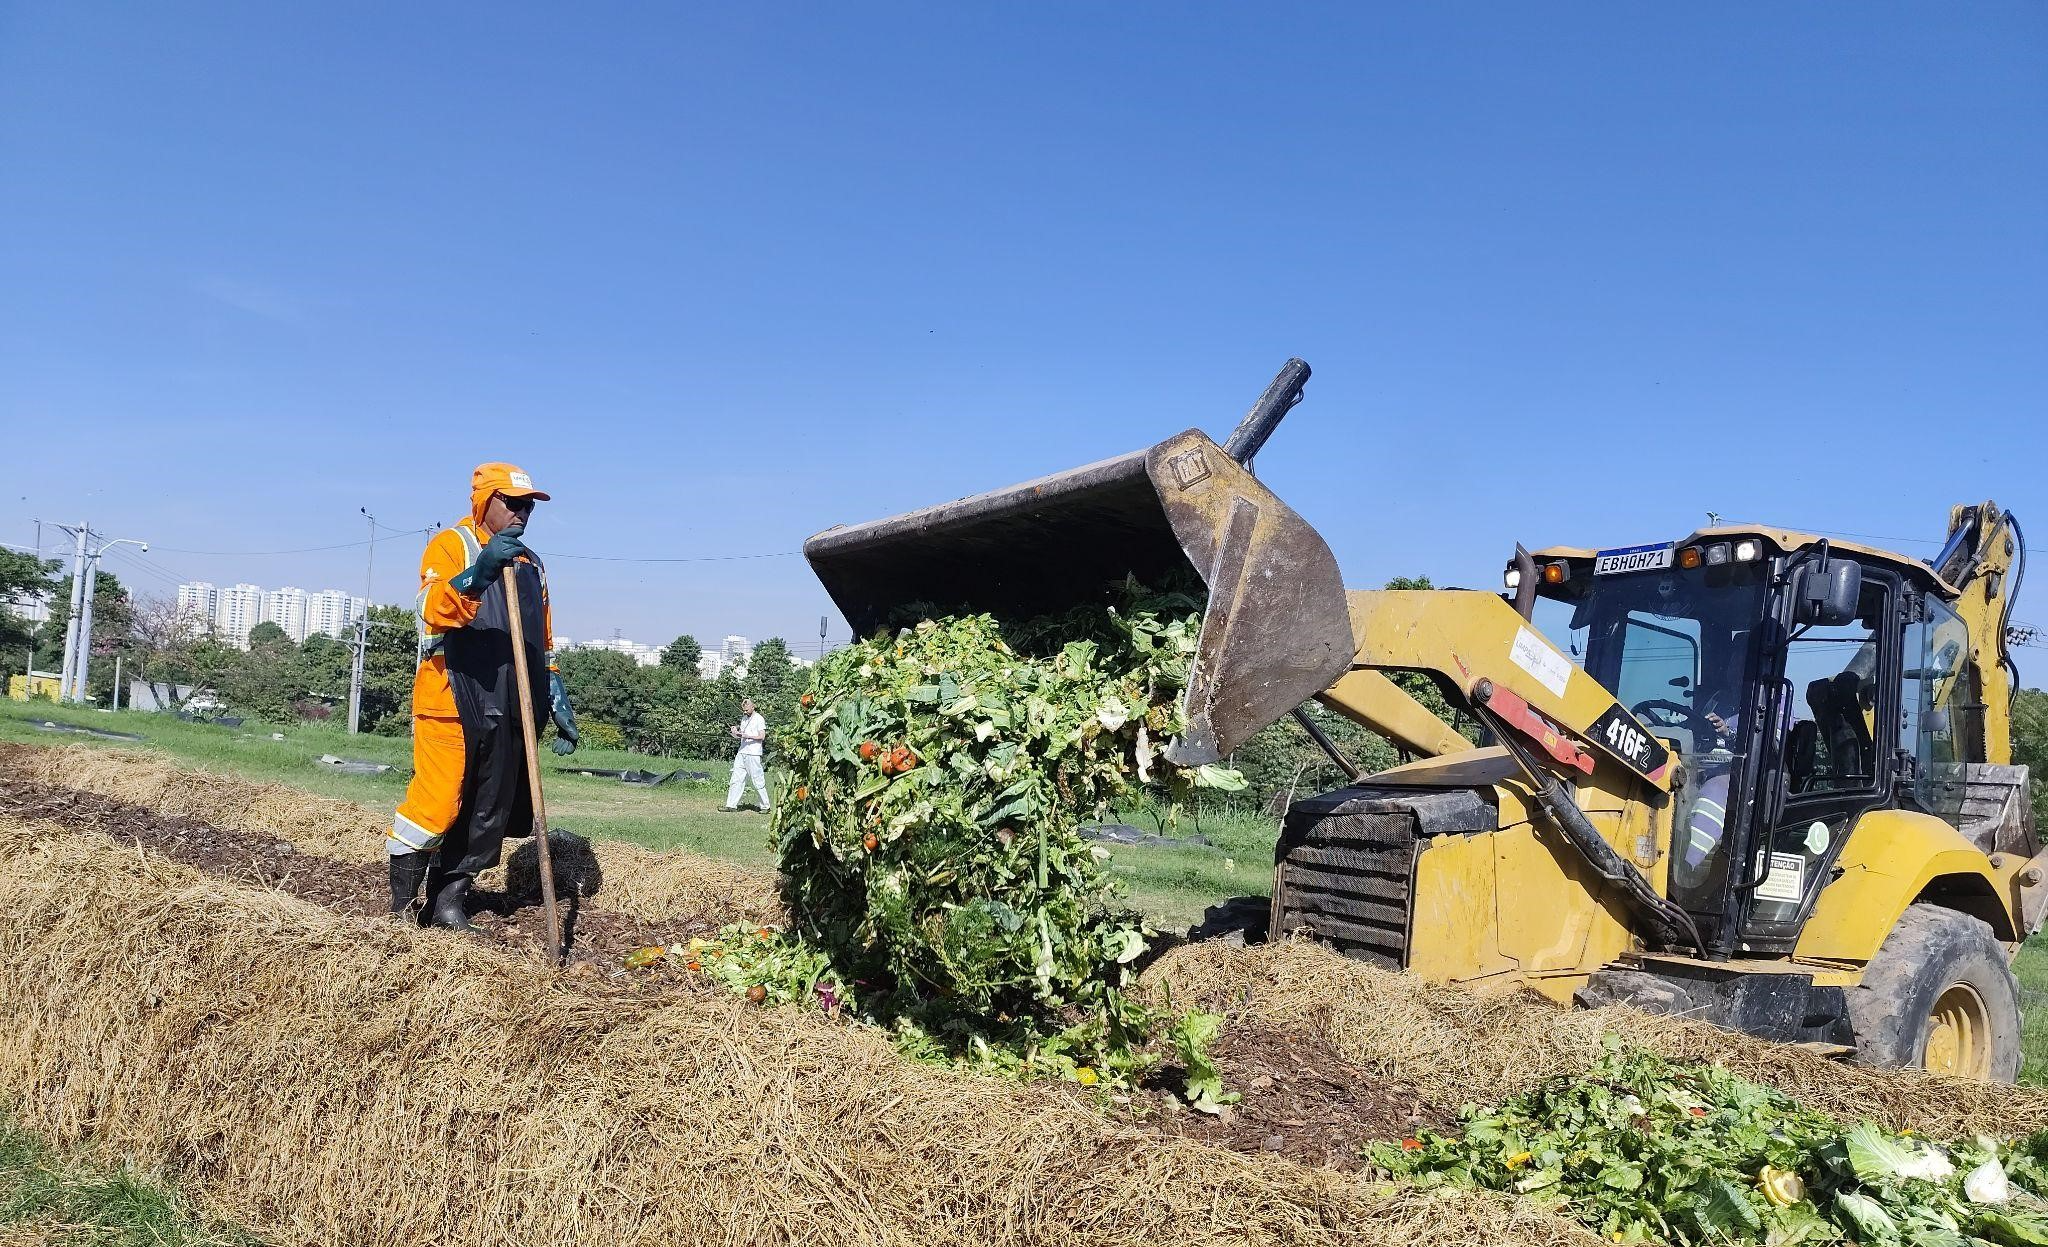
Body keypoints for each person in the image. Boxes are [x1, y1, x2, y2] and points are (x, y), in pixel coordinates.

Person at [387, 462, 580, 930]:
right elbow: (428, 609)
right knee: (437, 805)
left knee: (488, 808)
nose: (522, 512)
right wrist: (479, 573)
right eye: (511, 502)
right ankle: (398, 913)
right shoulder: (452, 545)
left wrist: (553, 687)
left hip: (507, 704)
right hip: (451, 698)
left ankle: (448, 901)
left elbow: (542, 637)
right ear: (484, 502)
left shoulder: (533, 564)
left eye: (528, 504)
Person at [722, 696, 771, 813]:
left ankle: (765, 806)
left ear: (753, 707)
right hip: (742, 752)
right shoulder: (744, 718)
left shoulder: (759, 719)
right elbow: (741, 735)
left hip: (753, 753)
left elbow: (762, 736)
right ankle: (731, 805)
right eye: (743, 710)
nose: (745, 712)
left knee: (757, 779)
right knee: (736, 778)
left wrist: (747, 736)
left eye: (747, 710)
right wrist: (735, 732)